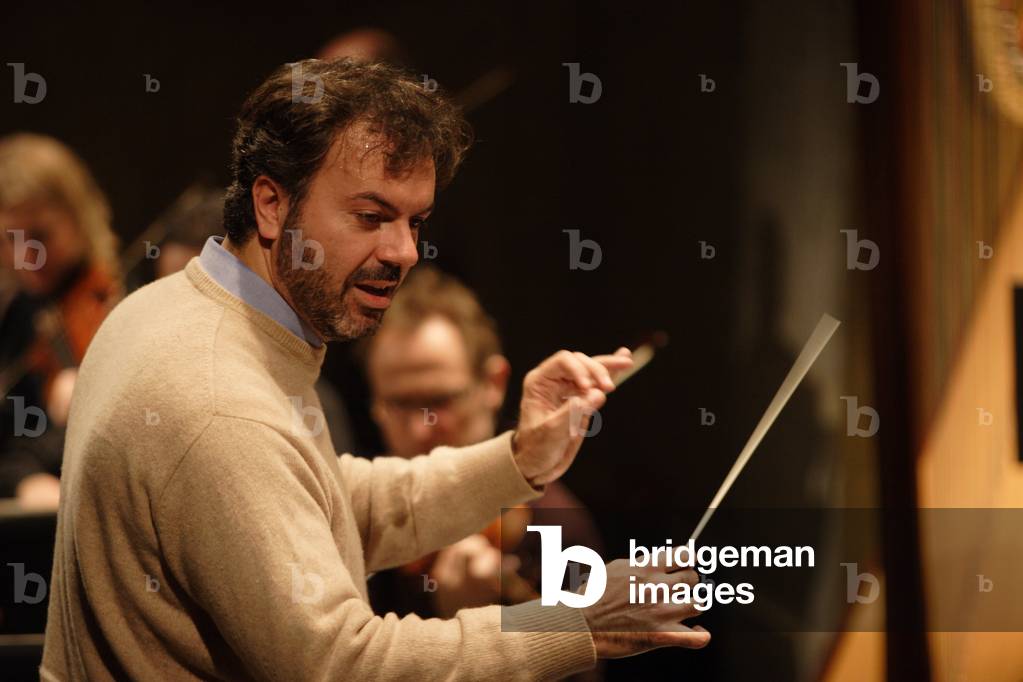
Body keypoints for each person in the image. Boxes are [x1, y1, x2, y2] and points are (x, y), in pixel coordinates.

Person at [42, 59, 709, 680]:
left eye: (416, 221)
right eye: (371, 216)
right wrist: (577, 623)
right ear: (272, 205)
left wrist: (517, 459)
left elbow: (323, 503)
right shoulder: (221, 402)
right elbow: (339, 662)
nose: (404, 251)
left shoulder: (163, 307)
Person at [362, 265, 604, 622]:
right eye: (398, 403)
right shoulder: (366, 516)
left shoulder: (557, 526)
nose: (419, 428)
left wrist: (483, 624)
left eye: (439, 400)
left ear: (493, 383)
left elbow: (580, 673)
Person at [0, 134, 121, 508]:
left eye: (40, 236)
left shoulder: (115, 301)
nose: (26, 257)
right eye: (10, 238)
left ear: (79, 218)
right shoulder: (18, 312)